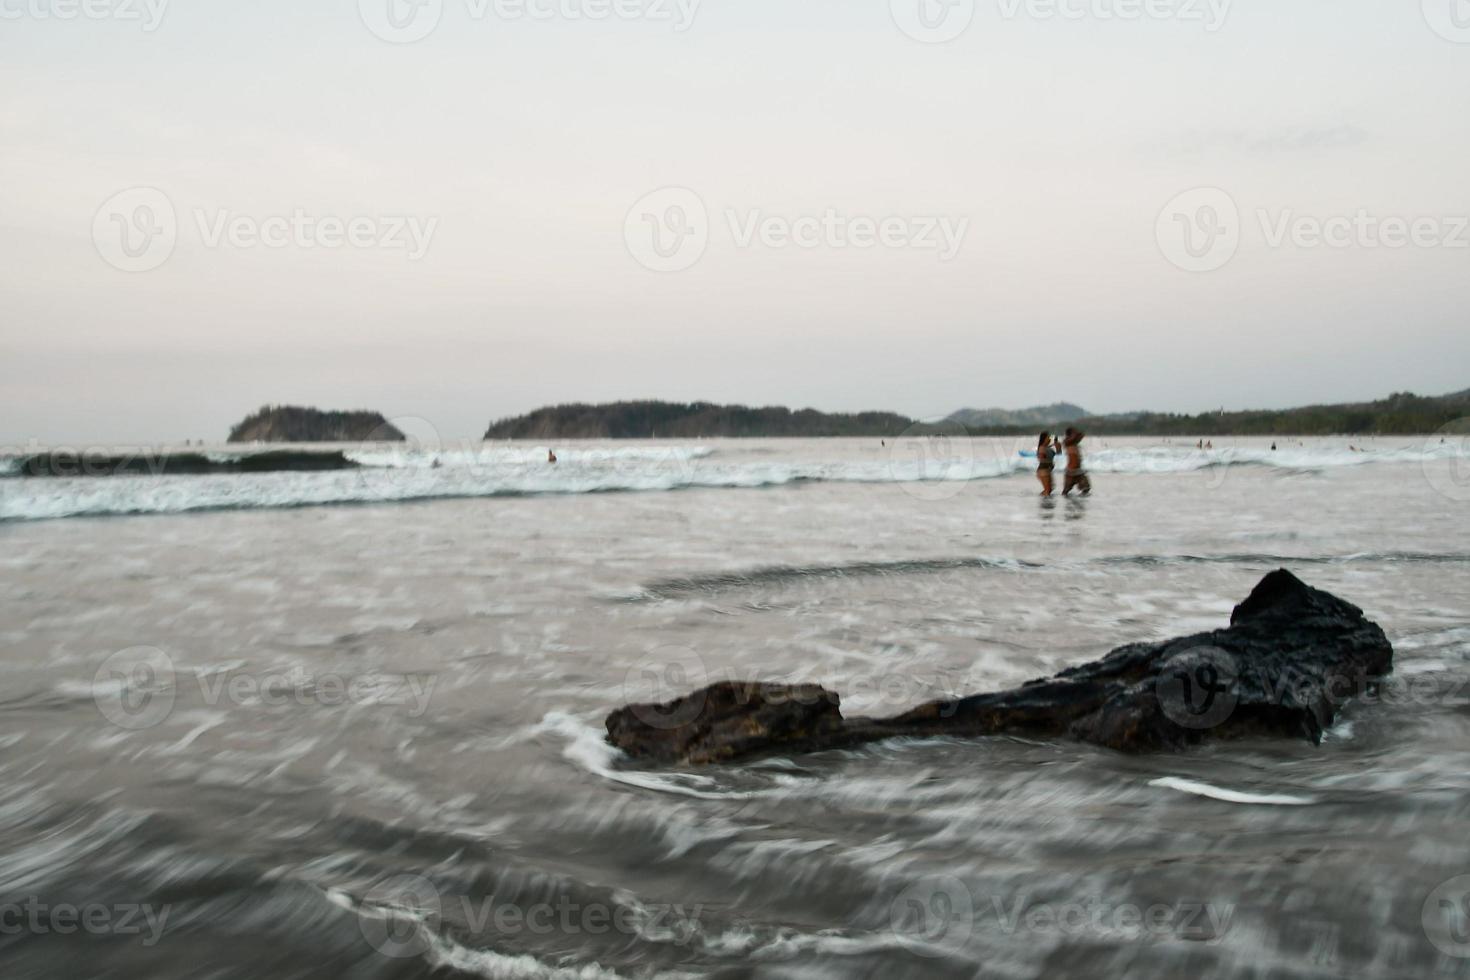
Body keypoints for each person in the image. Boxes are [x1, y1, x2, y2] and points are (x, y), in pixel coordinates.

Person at [1062, 427, 1092, 496]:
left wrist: (1077, 433)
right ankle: (1067, 502)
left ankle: (1080, 500)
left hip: (1078, 470)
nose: (1076, 433)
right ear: (1069, 435)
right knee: (1066, 490)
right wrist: (1075, 434)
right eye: (1074, 432)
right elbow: (1073, 438)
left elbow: (1081, 435)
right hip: (1071, 471)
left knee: (1086, 488)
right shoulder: (1067, 442)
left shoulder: (1074, 442)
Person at [1036, 431, 1056, 497]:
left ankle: (1043, 500)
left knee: (1050, 489)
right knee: (1048, 490)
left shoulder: (1047, 448)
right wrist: (1050, 464)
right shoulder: (1042, 448)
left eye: (1050, 437)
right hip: (1043, 470)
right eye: (1048, 437)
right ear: (1044, 438)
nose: (1050, 439)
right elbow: (1041, 459)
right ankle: (1045, 503)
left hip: (1047, 470)